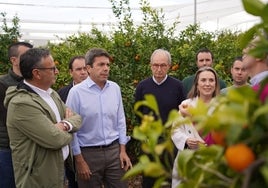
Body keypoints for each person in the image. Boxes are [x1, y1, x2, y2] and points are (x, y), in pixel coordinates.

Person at [4, 48, 82, 188]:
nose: (57, 72)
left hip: (57, 170)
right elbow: (54, 139)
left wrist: (63, 126)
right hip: (38, 178)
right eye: (52, 68)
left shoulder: (51, 94)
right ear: (37, 73)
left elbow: (77, 118)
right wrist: (70, 129)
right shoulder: (22, 104)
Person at [66, 48, 132, 188]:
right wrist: (79, 160)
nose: (106, 69)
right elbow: (71, 130)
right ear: (89, 68)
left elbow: (120, 121)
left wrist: (123, 150)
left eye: (108, 65)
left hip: (114, 152)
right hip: (88, 155)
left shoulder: (115, 88)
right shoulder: (76, 93)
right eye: (101, 65)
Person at [134, 49, 185, 187]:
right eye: (155, 65)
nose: (159, 69)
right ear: (150, 65)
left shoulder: (178, 86)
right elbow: (138, 111)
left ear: (169, 66)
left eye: (163, 65)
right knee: (149, 179)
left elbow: (181, 113)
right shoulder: (142, 87)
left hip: (171, 142)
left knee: (170, 179)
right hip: (150, 141)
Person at [171, 66, 220, 188]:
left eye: (211, 80)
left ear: (216, 84)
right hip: (188, 160)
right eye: (203, 80)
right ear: (197, 84)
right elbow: (175, 129)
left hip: (211, 161)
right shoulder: (186, 105)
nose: (207, 84)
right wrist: (186, 140)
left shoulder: (221, 107)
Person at [0, 41, 33, 188]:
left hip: (31, 148)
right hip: (7, 149)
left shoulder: (33, 83)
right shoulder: (2, 84)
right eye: (27, 56)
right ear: (14, 60)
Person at [58, 55, 88, 188]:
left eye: (85, 68)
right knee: (74, 181)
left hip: (93, 147)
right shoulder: (62, 94)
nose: (83, 72)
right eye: (78, 69)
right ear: (71, 72)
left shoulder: (98, 90)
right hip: (72, 148)